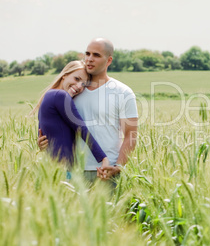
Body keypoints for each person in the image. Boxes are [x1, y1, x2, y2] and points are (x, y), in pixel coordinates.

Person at [38, 38, 138, 183]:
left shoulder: (123, 92)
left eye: (96, 55)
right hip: (72, 171)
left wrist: (118, 166)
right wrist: (43, 141)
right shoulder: (72, 92)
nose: (90, 59)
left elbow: (131, 134)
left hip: (105, 171)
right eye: (87, 54)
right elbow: (53, 121)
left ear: (109, 60)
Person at [32, 60, 110, 171]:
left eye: (83, 84)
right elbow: (82, 129)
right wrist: (103, 158)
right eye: (77, 79)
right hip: (66, 170)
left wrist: (40, 143)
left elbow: (42, 133)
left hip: (53, 168)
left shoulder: (48, 95)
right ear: (65, 75)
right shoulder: (61, 95)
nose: (79, 87)